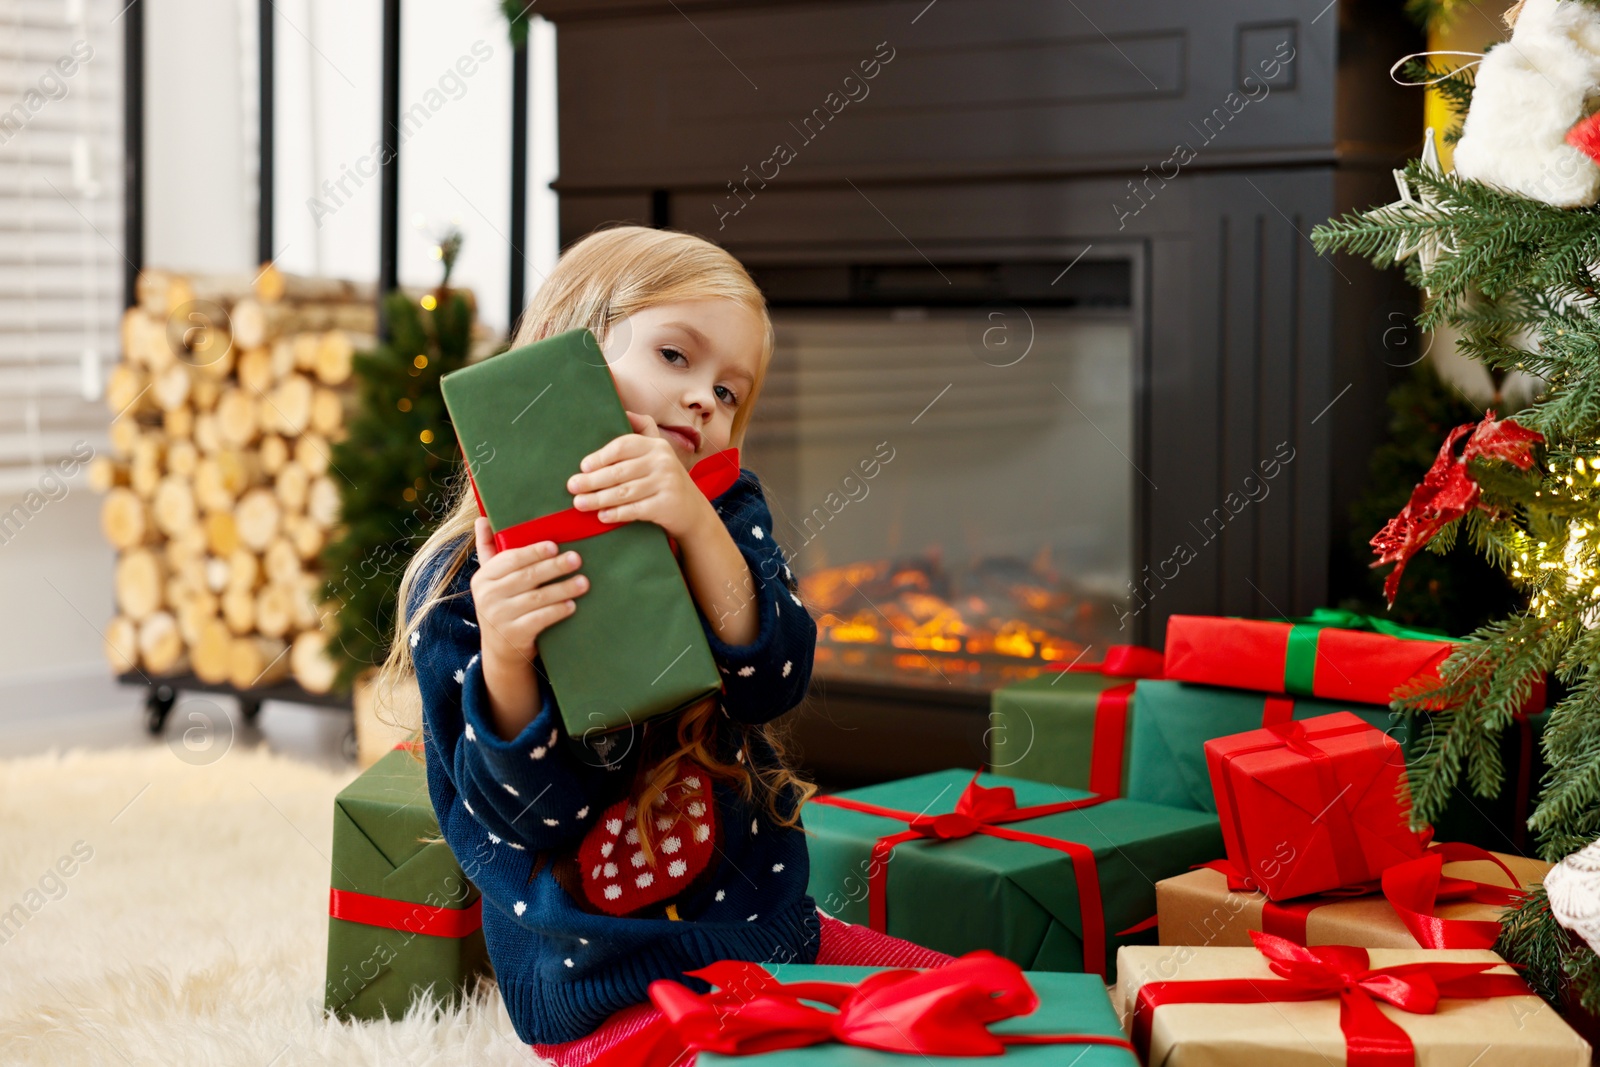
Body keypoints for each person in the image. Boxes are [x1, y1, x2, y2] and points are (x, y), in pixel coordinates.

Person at [372, 225, 953, 1063]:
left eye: (730, 390)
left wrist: (691, 521)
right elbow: (533, 814)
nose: (704, 399)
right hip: (605, 984)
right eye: (677, 357)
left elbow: (774, 678)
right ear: (563, 351)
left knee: (971, 1004)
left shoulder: (726, 508)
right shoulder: (467, 584)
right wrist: (506, 655)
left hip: (767, 930)